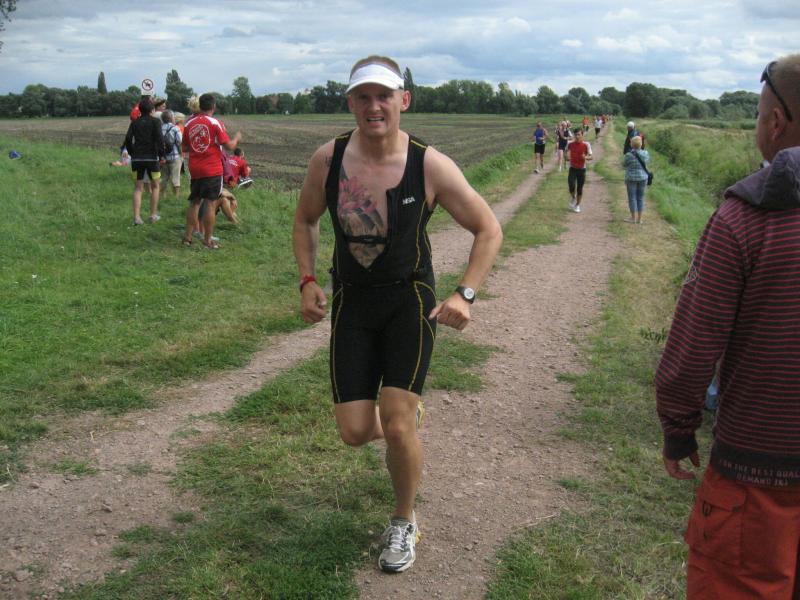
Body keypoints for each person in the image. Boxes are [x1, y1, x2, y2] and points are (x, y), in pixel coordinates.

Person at [292, 55, 502, 574]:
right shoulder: (328, 159)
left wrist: (465, 294)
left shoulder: (429, 165)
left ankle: (403, 521)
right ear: (350, 103)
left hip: (410, 301)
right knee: (354, 431)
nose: (374, 106)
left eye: (384, 95)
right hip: (353, 301)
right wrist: (308, 279)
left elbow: (488, 228)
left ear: (403, 100)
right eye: (363, 96)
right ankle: (400, 418)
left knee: (399, 424)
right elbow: (305, 219)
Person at [656, 53, 800, 599]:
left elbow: (694, 346)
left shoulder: (746, 218)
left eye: (759, 113)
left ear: (776, 122)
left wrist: (678, 427)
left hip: (759, 473)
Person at [181, 93, 241, 248]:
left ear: (200, 105)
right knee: (210, 203)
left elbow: (184, 147)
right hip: (212, 169)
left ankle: (187, 238)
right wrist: (236, 139)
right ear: (213, 106)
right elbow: (229, 146)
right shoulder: (216, 123)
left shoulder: (189, 124)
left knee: (194, 202)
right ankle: (207, 240)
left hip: (195, 169)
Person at [123, 97, 164, 225]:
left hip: (137, 158)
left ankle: (137, 218)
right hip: (152, 158)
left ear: (140, 110)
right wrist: (161, 155)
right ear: (152, 110)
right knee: (155, 186)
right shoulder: (156, 122)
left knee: (138, 188)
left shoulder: (134, 123)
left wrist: (132, 152)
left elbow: (128, 139)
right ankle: (153, 215)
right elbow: (160, 139)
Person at [622, 136, 649, 223]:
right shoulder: (645, 153)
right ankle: (640, 219)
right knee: (640, 198)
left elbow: (624, 164)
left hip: (631, 178)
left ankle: (633, 218)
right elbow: (647, 162)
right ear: (641, 144)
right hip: (643, 177)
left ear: (632, 145)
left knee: (632, 198)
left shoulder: (628, 155)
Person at [565, 128, 592, 212]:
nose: (577, 136)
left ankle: (577, 205)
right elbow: (566, 152)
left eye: (579, 134)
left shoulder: (586, 144)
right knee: (571, 186)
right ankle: (573, 198)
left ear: (582, 135)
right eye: (576, 134)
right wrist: (567, 157)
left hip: (581, 169)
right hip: (572, 168)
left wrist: (585, 157)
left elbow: (591, 156)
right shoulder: (570, 144)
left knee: (580, 188)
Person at [160, 110, 183, 199]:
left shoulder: (159, 128)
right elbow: (179, 142)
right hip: (175, 156)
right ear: (171, 118)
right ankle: (176, 196)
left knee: (164, 177)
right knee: (175, 177)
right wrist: (181, 154)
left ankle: (162, 195)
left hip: (163, 157)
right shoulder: (175, 128)